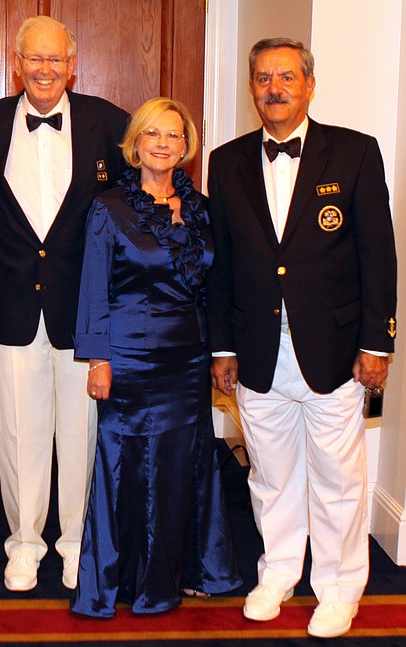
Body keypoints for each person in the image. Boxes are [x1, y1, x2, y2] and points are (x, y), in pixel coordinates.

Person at [207, 38, 396, 639]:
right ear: (252, 88)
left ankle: (339, 587)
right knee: (270, 474)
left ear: (309, 85)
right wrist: (222, 347)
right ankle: (279, 570)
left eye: (286, 76)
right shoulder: (227, 159)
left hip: (335, 351)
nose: (274, 88)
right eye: (263, 78)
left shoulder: (355, 153)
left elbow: (379, 255)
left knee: (339, 479)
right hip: (257, 350)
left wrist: (378, 341)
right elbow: (222, 265)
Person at [0, 15, 130, 592]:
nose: (44, 70)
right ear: (17, 64)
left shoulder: (109, 123)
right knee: (16, 430)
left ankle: (76, 542)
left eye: (54, 59)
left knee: (81, 430)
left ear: (72, 63)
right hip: (12, 301)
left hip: (84, 307)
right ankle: (24, 544)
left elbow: (132, 212)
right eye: (33, 59)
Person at [70, 97, 241, 617]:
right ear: (135, 145)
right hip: (130, 358)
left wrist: (218, 352)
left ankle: (190, 569)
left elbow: (214, 287)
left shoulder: (202, 206)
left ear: (186, 146)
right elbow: (93, 288)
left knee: (186, 463)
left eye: (174, 134)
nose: (164, 143)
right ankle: (127, 582)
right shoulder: (109, 206)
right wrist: (98, 360)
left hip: (188, 359)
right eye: (153, 134)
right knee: (129, 465)